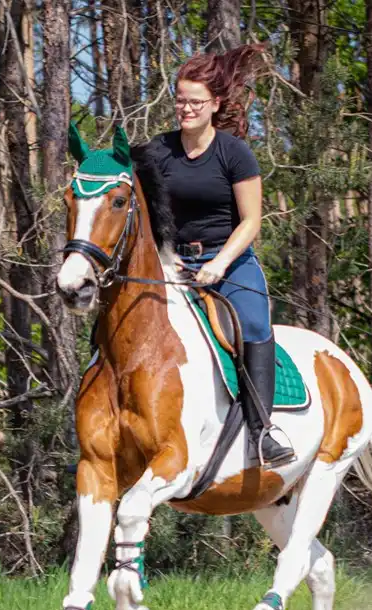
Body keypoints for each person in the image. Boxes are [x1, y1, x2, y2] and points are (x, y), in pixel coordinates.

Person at [149, 45, 294, 467]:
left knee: (251, 320)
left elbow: (251, 221)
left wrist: (219, 264)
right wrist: (165, 254)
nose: (186, 109)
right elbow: (144, 214)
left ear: (215, 104)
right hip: (173, 262)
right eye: (180, 100)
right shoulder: (158, 152)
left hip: (227, 259)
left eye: (195, 101)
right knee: (122, 317)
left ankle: (263, 430)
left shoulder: (234, 153)